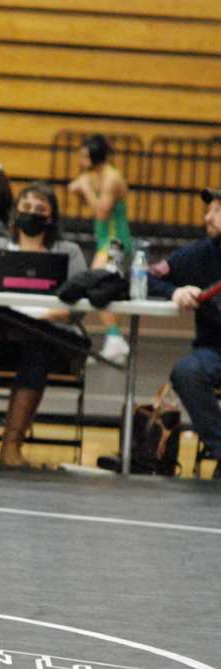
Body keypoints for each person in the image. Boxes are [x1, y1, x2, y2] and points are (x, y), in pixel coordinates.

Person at [0, 182, 89, 467]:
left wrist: (51, 317)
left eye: (40, 209)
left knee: (38, 346)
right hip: (5, 338)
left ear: (52, 217)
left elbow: (78, 306)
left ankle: (11, 446)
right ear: (15, 213)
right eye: (26, 207)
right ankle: (10, 446)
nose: (32, 213)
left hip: (51, 339)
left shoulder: (68, 251)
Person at [149, 188, 221, 475]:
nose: (207, 217)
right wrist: (175, 291)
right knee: (187, 372)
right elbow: (143, 275)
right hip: (214, 352)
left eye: (217, 211)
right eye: (209, 210)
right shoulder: (200, 253)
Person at [69, 133, 132, 365]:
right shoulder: (96, 175)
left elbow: (101, 212)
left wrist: (84, 188)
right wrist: (81, 190)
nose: (81, 161)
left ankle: (115, 338)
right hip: (105, 240)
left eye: (85, 156)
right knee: (95, 286)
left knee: (95, 283)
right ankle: (111, 337)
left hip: (116, 240)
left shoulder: (111, 178)